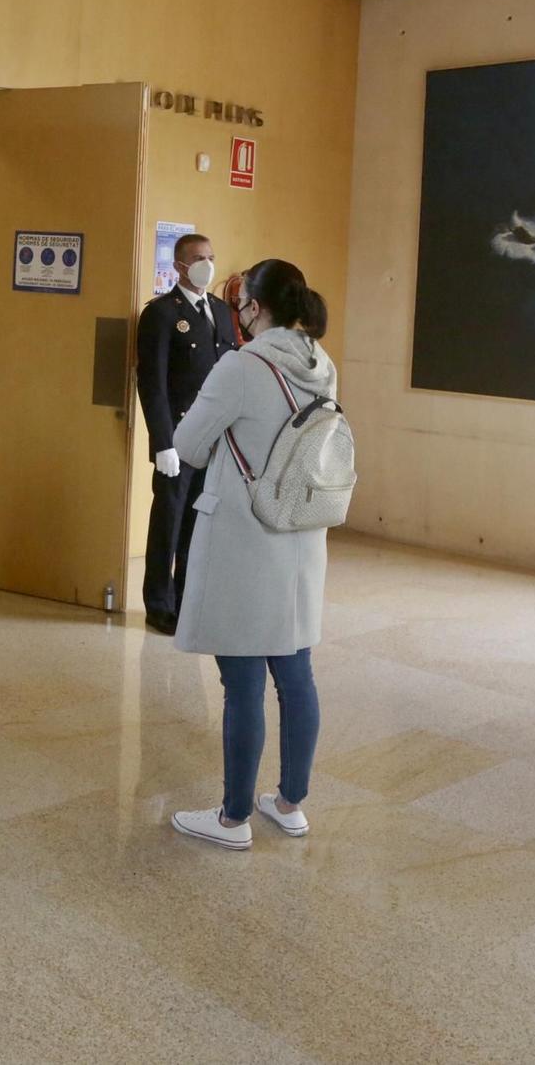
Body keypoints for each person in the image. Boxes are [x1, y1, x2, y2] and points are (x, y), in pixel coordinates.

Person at [167, 259, 335, 850]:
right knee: (295, 673)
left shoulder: (242, 365)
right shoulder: (320, 362)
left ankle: (233, 819)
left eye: (241, 304)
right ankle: (289, 805)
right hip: (299, 534)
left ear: (255, 309)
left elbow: (188, 444)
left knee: (241, 682)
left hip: (244, 539)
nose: (236, 314)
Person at [135, 233, 236, 634]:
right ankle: (160, 605)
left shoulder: (221, 311)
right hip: (177, 440)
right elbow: (153, 383)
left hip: (213, 440)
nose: (206, 265)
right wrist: (162, 442)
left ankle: (188, 601)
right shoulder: (161, 313)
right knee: (168, 523)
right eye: (198, 258)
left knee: (199, 524)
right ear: (179, 266)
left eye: (211, 257)